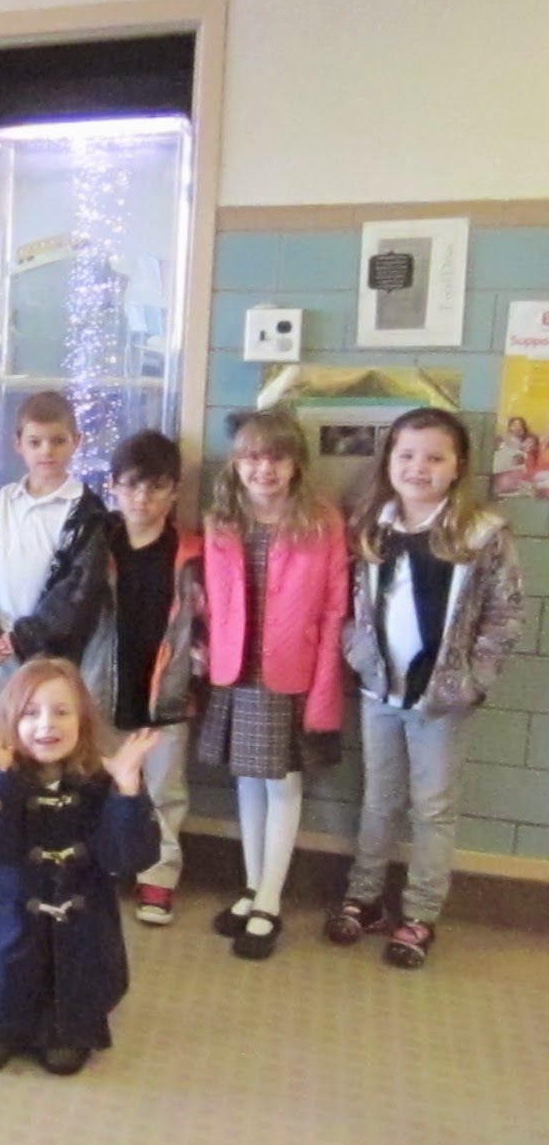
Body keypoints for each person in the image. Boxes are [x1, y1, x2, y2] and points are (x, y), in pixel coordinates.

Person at [331, 407, 524, 969]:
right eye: (407, 455)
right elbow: (349, 603)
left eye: (435, 458)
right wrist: (358, 653)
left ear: (458, 465)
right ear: (389, 461)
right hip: (380, 692)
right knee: (378, 799)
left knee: (433, 807)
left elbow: (505, 614)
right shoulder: (372, 525)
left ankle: (419, 913)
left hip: (443, 700)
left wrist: (472, 681)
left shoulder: (481, 533)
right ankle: (364, 897)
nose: (419, 468)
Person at [0, 658, 160, 1076]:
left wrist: (127, 790)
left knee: (65, 1053)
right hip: (6, 919)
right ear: (11, 719)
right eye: (31, 713)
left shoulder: (100, 781)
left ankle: (66, 1023)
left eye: (62, 711)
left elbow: (127, 859)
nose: (46, 724)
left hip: (79, 924)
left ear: (82, 720)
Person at [199, 408, 348, 960]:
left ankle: (271, 900)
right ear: (236, 463)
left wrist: (325, 685)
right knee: (247, 778)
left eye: (277, 457)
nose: (265, 469)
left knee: (282, 782)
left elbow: (335, 609)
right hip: (237, 669)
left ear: (297, 463)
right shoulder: (222, 520)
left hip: (292, 673)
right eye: (252, 457)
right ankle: (252, 885)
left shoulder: (322, 521)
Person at [81, 431, 206, 926]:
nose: (142, 498)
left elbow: (206, 621)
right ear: (112, 486)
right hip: (102, 687)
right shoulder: (97, 545)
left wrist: (197, 671)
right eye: (131, 485)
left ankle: (159, 875)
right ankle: (101, 865)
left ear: (174, 491)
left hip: (166, 694)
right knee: (97, 782)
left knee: (164, 790)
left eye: (156, 487)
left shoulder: (189, 554)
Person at [0, 391, 110, 713]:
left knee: (44, 733)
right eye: (35, 442)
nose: (47, 450)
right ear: (18, 444)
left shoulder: (88, 513)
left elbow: (78, 589)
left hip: (52, 658)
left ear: (76, 441)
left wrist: (25, 638)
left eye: (58, 441)